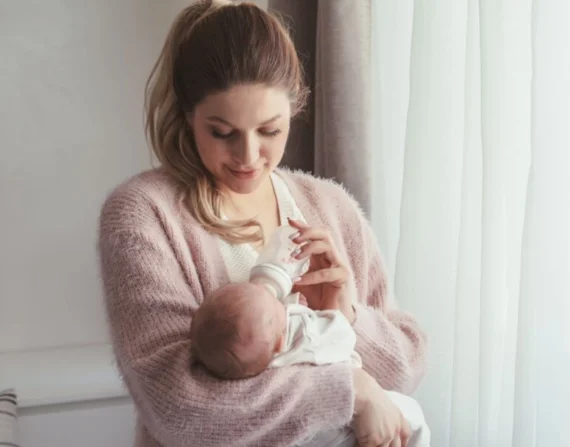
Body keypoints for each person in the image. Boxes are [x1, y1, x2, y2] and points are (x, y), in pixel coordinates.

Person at [96, 1, 429, 446]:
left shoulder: (331, 207)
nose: (249, 156)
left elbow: (406, 367)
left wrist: (347, 317)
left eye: (270, 131)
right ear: (188, 114)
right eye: (222, 132)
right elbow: (179, 407)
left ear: (295, 110)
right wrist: (352, 391)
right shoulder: (144, 216)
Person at [190, 282, 431, 447]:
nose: (284, 305)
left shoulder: (256, 358)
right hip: (336, 424)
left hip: (305, 435)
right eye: (279, 310)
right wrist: (340, 313)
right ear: (279, 342)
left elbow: (407, 367)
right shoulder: (304, 337)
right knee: (412, 417)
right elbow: (340, 336)